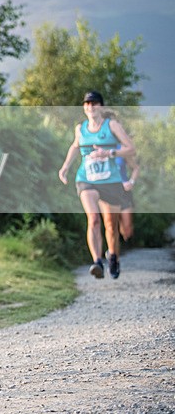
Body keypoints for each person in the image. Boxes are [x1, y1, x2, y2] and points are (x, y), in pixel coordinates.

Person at [59, 91, 136, 279]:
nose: (90, 107)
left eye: (94, 103)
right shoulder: (80, 128)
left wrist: (108, 154)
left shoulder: (112, 126)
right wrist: (65, 167)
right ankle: (97, 262)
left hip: (110, 181)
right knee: (93, 218)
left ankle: (114, 257)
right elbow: (75, 146)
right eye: (86, 104)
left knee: (111, 225)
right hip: (86, 178)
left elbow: (130, 149)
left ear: (101, 106)